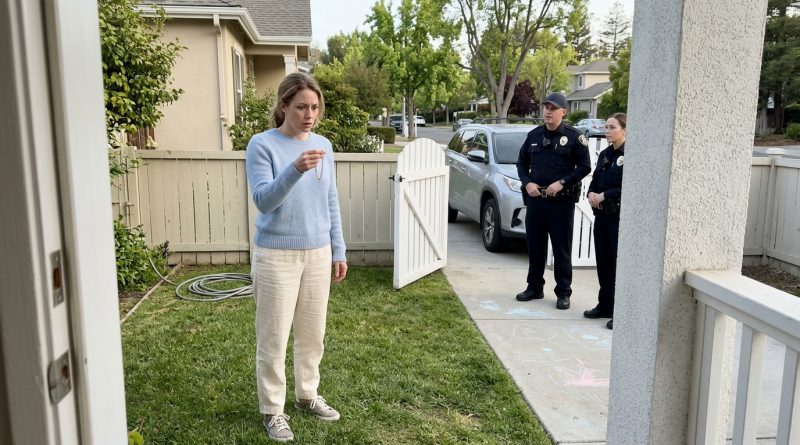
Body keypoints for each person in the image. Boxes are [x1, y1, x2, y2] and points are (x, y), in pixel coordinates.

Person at [245, 72, 348, 442]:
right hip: (275, 254)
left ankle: (307, 395)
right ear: (284, 105)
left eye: (315, 107)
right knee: (273, 337)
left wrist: (338, 248)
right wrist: (295, 169)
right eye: (302, 106)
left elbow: (330, 200)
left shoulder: (324, 145)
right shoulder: (262, 145)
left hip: (318, 253)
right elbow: (263, 199)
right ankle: (273, 410)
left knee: (312, 334)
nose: (310, 114)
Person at [515, 92, 591, 309]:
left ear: (563, 112)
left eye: (553, 108)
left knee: (561, 249)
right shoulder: (534, 136)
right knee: (535, 246)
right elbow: (521, 163)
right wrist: (527, 182)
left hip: (560, 204)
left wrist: (563, 182)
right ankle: (534, 287)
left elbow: (585, 166)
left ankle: (563, 292)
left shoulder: (575, 138)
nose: (548, 112)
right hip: (536, 201)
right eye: (546, 107)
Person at [583, 113, 626, 330]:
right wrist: (591, 193)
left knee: (618, 265)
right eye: (606, 127)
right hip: (602, 217)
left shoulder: (630, 155)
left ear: (624, 130)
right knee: (603, 263)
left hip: (618, 219)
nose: (607, 131)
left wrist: (606, 195)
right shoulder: (605, 154)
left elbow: (627, 187)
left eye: (612, 127)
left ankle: (620, 311)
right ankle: (605, 304)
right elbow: (596, 179)